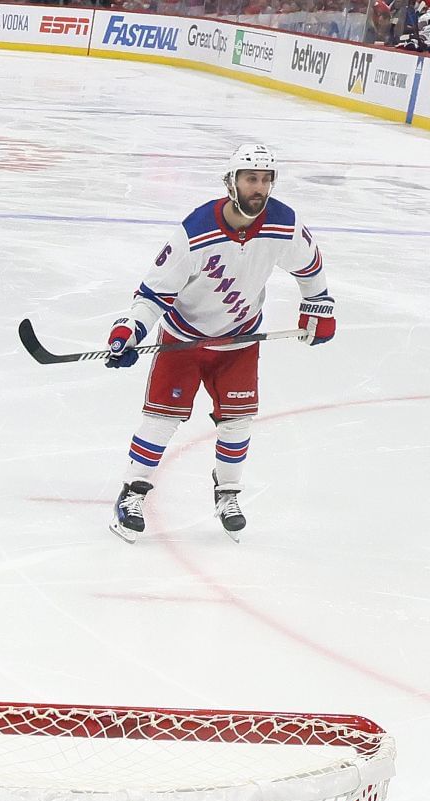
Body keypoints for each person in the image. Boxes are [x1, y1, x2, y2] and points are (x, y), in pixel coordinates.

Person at [106, 141, 333, 543]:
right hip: (185, 340)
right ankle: (132, 492)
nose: (259, 188)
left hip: (240, 340)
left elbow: (310, 265)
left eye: (265, 179)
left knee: (237, 421)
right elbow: (154, 293)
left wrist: (318, 306)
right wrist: (130, 330)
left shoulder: (284, 223)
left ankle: (227, 492)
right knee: (162, 420)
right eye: (250, 179)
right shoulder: (195, 231)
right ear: (231, 182)